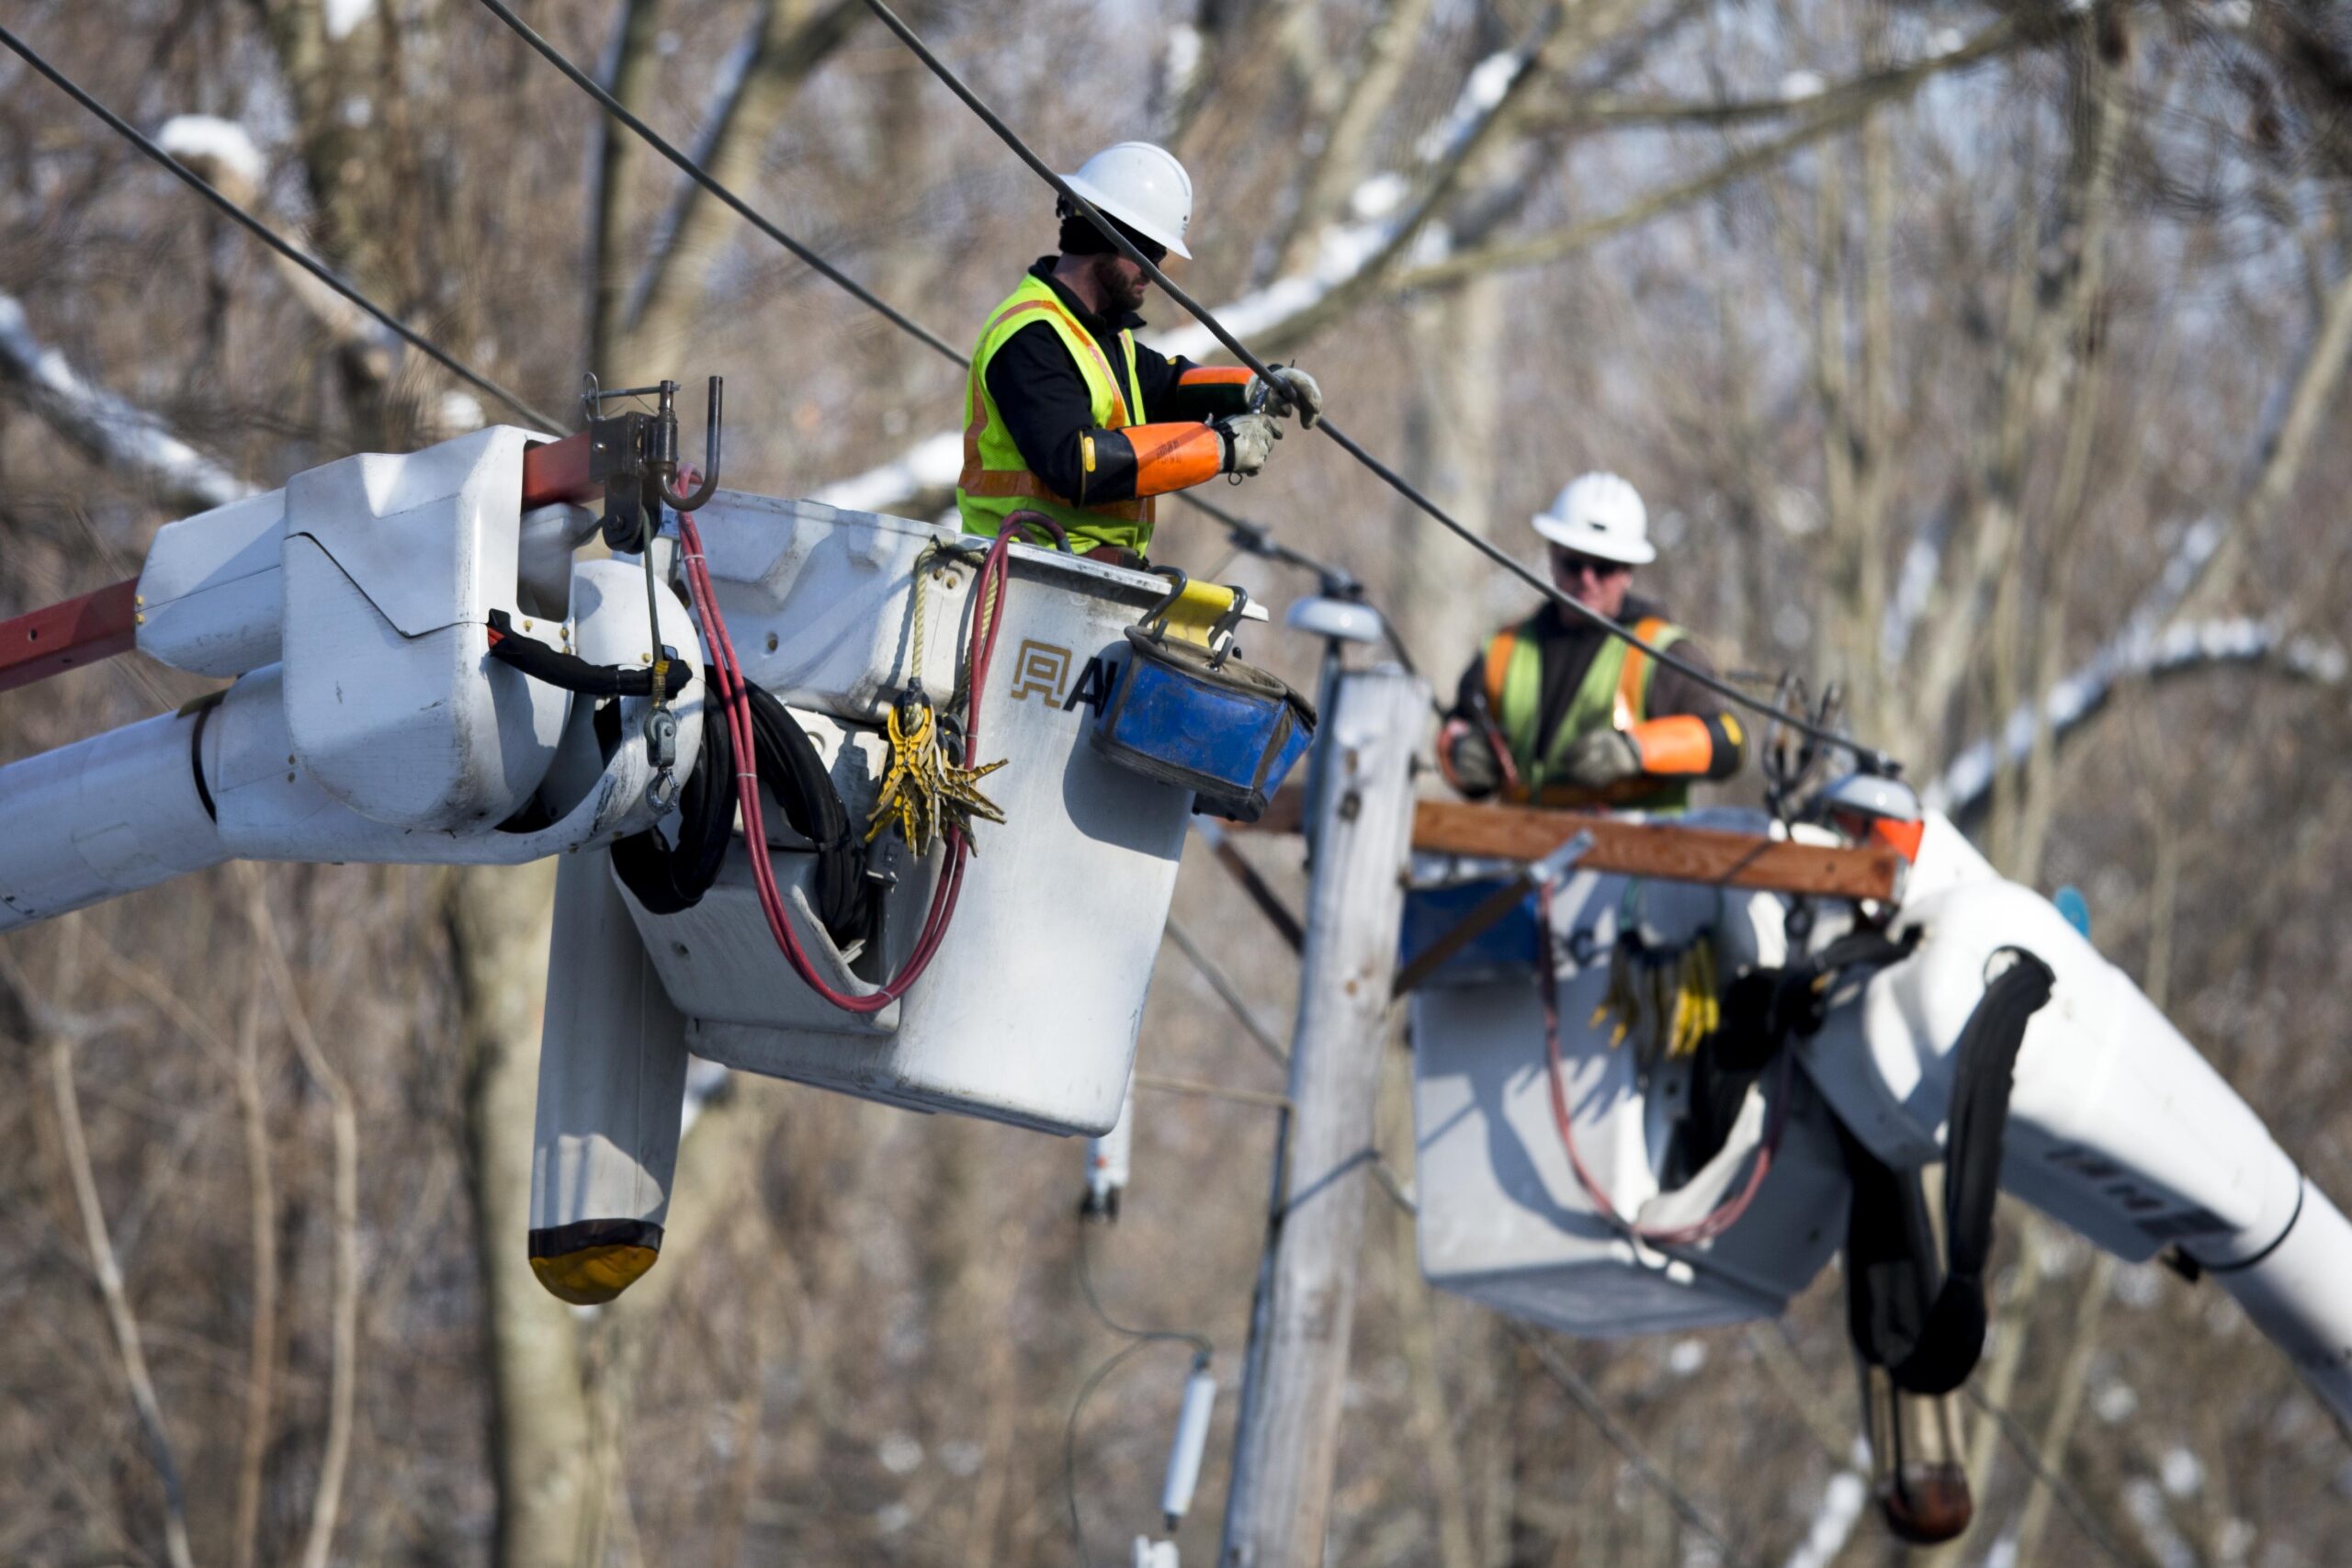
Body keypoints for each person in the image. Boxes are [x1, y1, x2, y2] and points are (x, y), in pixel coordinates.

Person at [956, 141, 1321, 563]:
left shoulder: (1101, 336)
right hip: (1018, 573)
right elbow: (1074, 462)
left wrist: (1259, 387)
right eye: (1148, 251)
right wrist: (1220, 447)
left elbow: (1168, 386)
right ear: (1101, 235)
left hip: (1078, 572)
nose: (1155, 269)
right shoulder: (1028, 336)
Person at [1437, 472, 1743, 810]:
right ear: (1552, 556)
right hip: (1519, 848)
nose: (1587, 579)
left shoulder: (1664, 655)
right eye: (1574, 563)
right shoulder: (1504, 650)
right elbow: (1455, 732)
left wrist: (1636, 751)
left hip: (1632, 855)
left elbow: (1727, 741)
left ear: (1628, 571)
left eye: (1605, 567)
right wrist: (1462, 756)